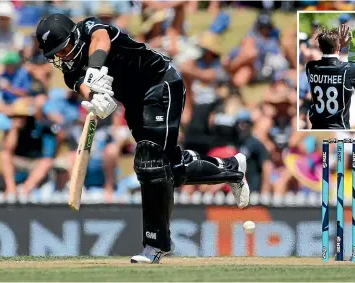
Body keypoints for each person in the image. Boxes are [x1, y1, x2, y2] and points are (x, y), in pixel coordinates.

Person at [35, 13, 249, 264]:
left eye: (65, 49)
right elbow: (86, 88)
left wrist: (95, 69)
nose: (64, 57)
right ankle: (231, 168)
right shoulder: (70, 73)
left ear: (74, 37)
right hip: (137, 105)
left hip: (161, 84)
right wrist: (97, 100)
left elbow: (101, 39)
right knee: (170, 168)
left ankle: (155, 245)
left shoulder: (91, 29)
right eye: (57, 55)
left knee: (150, 162)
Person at [305, 25, 355, 129]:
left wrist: (338, 44)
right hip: (338, 127)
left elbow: (328, 64)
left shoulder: (310, 67)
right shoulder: (348, 69)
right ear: (338, 47)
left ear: (320, 48)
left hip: (316, 127)